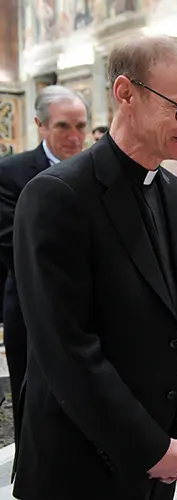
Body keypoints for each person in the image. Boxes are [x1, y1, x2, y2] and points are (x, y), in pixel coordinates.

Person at [11, 35, 177, 499]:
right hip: (82, 460)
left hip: (165, 449)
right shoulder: (57, 196)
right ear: (126, 93)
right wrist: (147, 447)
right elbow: (66, 348)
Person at [0, 84, 89, 451]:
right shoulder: (12, 172)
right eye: (64, 126)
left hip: (89, 308)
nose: (75, 137)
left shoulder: (96, 169)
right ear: (40, 124)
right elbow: (12, 243)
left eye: (81, 126)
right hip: (32, 305)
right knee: (34, 400)